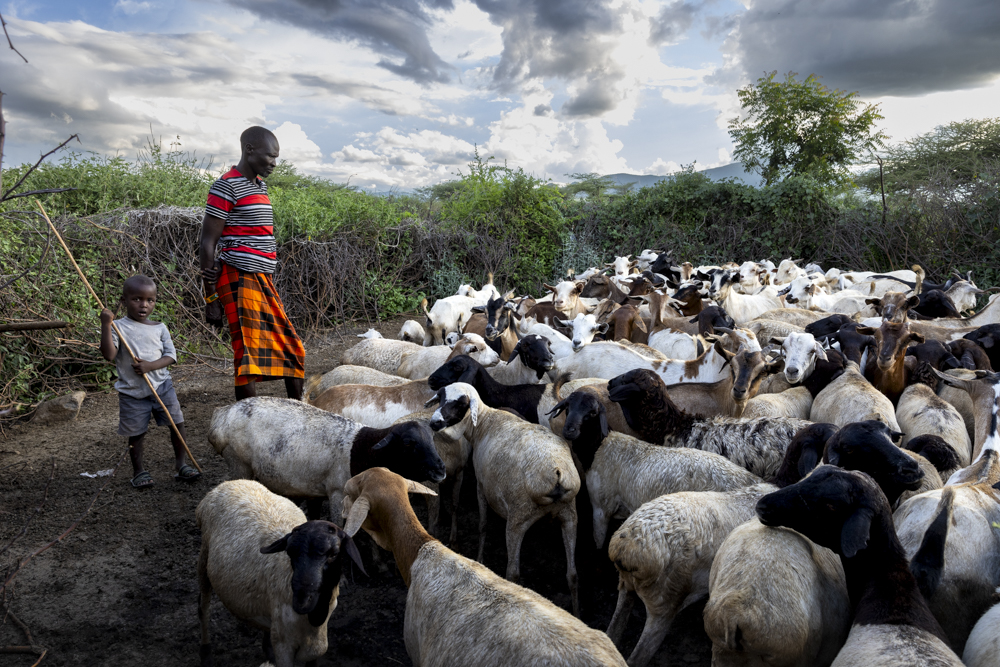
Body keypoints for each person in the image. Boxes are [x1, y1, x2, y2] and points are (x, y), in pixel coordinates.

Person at [199, 126, 305, 401]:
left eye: (276, 158)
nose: (273, 163)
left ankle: (299, 413)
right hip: (238, 274)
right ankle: (247, 422)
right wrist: (211, 299)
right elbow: (207, 242)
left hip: (261, 276)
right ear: (249, 150)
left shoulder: (259, 185)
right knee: (246, 351)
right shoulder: (226, 185)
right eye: (270, 156)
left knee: (291, 347)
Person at [99, 275, 199, 489]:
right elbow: (109, 354)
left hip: (162, 387)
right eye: (137, 299)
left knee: (176, 423)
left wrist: (150, 366)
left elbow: (171, 356)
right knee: (136, 433)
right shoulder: (117, 327)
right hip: (132, 392)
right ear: (124, 301)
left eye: (150, 300)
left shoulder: (159, 327)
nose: (144, 305)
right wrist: (106, 325)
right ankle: (139, 472)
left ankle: (181, 465)